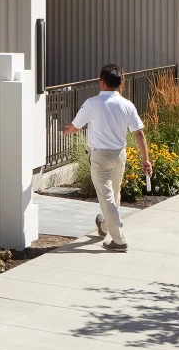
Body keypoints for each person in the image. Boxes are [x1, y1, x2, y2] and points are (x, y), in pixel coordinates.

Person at [63, 63, 151, 252]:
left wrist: (65, 131)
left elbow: (75, 127)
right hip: (120, 154)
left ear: (101, 81)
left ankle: (119, 240)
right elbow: (139, 134)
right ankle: (104, 226)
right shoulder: (128, 105)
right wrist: (146, 160)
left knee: (107, 197)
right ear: (120, 83)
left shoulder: (92, 103)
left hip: (100, 156)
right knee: (114, 194)